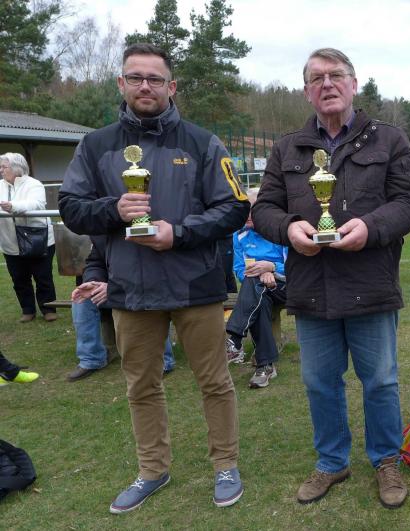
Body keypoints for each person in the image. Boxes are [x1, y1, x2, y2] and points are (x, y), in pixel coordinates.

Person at [58, 43, 250, 513]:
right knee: (141, 387)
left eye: (155, 78)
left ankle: (225, 464)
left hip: (196, 287)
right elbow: (71, 208)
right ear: (121, 83)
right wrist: (115, 209)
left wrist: (177, 234)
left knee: (215, 382)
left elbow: (234, 207)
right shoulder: (95, 145)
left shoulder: (204, 142)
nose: (145, 86)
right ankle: (152, 470)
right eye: (136, 77)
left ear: (172, 86)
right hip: (130, 289)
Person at [252, 47, 410, 509]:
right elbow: (264, 208)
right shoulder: (288, 147)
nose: (327, 84)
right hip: (311, 287)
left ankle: (386, 460)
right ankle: (332, 461)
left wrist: (370, 227)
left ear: (353, 83)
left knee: (381, 381)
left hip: (371, 284)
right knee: (319, 382)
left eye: (335, 75)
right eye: (317, 78)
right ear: (306, 91)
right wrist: (289, 228)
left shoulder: (388, 139)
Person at [68, 239, 175, 382]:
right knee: (81, 300)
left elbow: (148, 268)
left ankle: (163, 361)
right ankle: (92, 359)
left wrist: (113, 288)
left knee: (146, 298)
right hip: (112, 288)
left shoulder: (141, 230)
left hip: (143, 288)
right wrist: (93, 282)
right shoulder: (102, 232)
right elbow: (95, 262)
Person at [225, 188, 288, 389]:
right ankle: (265, 366)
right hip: (258, 287)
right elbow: (239, 269)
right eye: (245, 210)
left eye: (253, 210)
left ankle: (235, 339)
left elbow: (295, 267)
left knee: (255, 287)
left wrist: (272, 268)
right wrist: (261, 274)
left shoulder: (280, 231)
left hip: (287, 285)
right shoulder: (239, 235)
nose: (248, 215)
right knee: (259, 297)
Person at [0, 152, 57, 323]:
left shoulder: (34, 184)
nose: (1, 170)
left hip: (38, 240)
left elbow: (36, 204)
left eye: (4, 167)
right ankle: (28, 310)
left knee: (43, 277)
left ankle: (48, 309)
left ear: (16, 168)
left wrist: (12, 206)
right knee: (19, 279)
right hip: (10, 242)